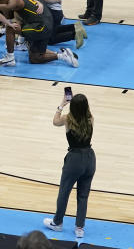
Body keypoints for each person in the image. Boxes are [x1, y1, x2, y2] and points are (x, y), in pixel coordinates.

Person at [44, 92, 95, 240]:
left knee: (64, 192)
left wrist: (61, 105)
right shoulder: (91, 118)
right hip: (90, 158)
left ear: (72, 106)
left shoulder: (67, 119)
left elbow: (55, 121)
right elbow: (85, 118)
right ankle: (80, 228)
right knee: (83, 194)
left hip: (74, 159)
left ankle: (58, 223)